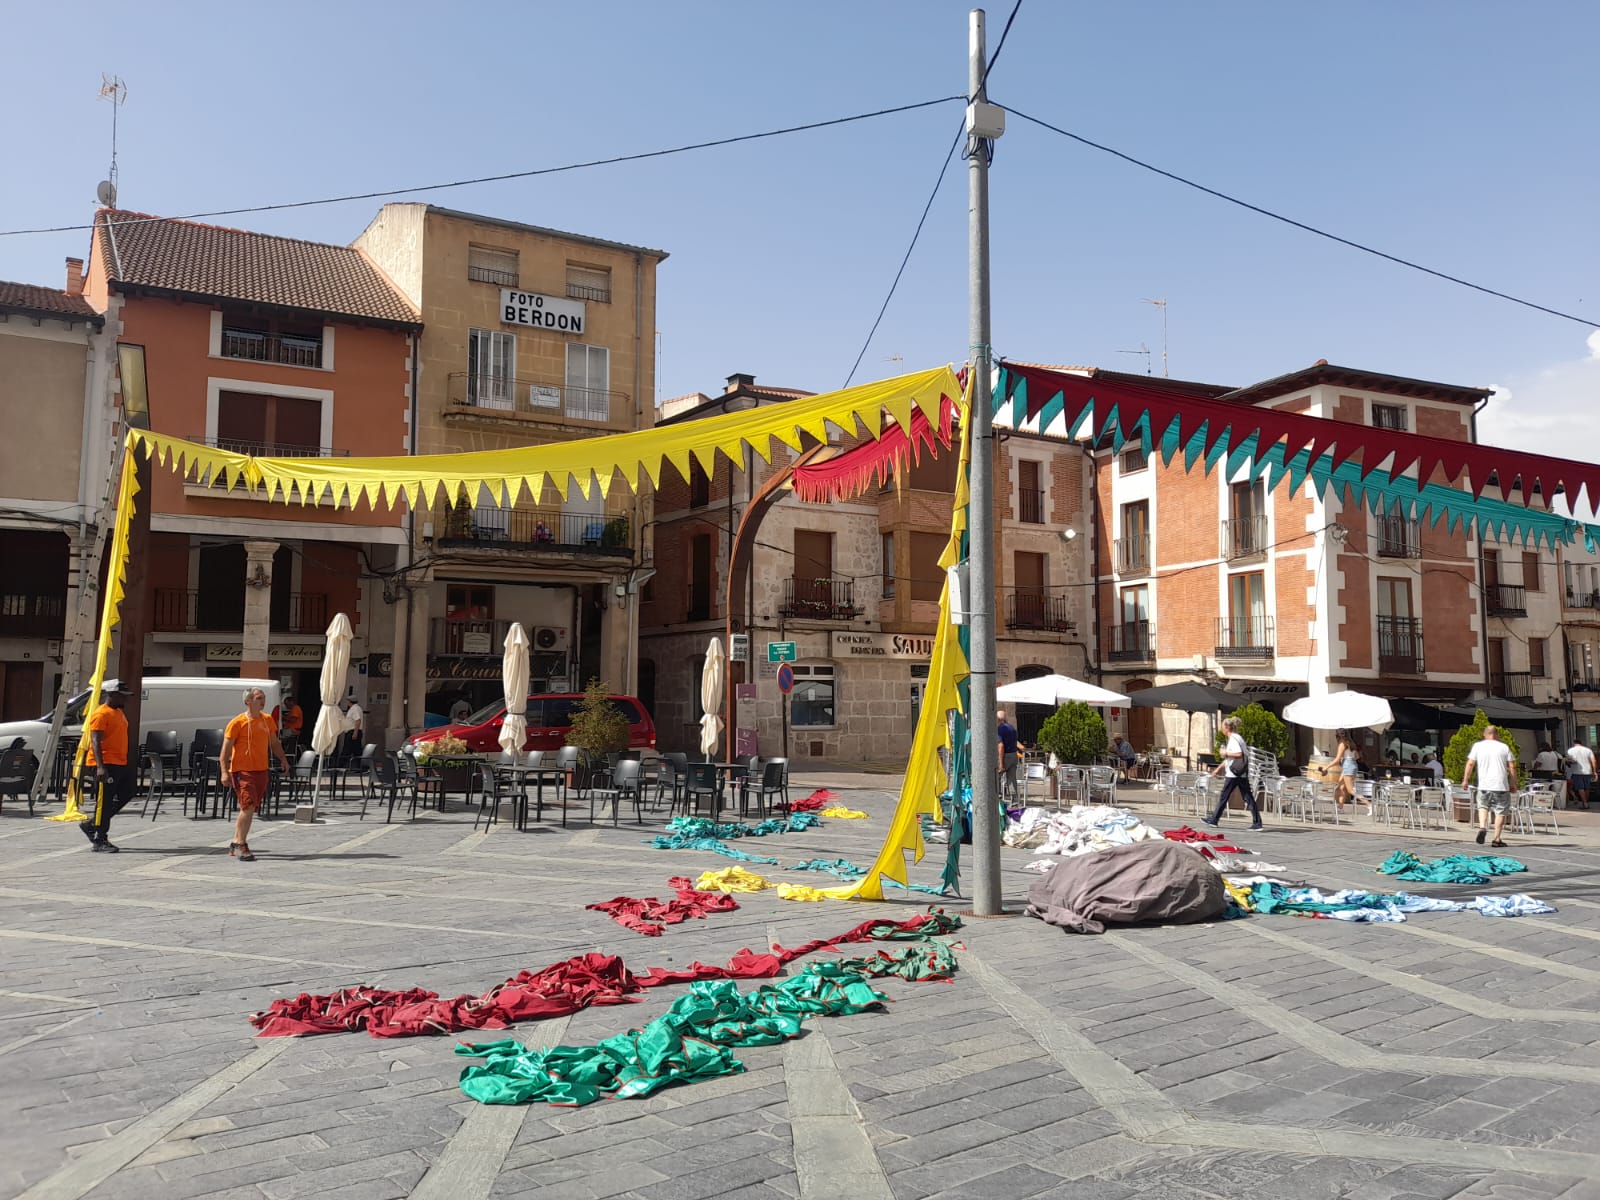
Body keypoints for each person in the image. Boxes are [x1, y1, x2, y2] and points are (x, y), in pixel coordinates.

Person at [219, 686, 292, 862]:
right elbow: (225, 751)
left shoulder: (267, 720)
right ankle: (241, 843)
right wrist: (224, 772)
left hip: (261, 770)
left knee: (249, 807)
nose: (263, 701)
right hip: (241, 771)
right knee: (248, 806)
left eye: (263, 697)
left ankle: (235, 840)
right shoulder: (237, 723)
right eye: (259, 697)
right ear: (248, 701)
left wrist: (283, 759)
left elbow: (274, 743)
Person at [81, 679, 138, 852]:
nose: (126, 700)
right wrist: (100, 766)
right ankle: (100, 838)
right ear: (112, 695)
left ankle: (93, 823)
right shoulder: (101, 714)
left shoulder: (119, 713)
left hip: (119, 762)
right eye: (123, 696)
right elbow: (95, 741)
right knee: (103, 802)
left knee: (128, 792)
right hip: (105, 763)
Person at [1462, 724, 1519, 848]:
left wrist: (1465, 780)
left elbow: (1470, 763)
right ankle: (1497, 838)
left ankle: (1483, 827)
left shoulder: (1478, 746)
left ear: (1484, 734)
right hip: (1501, 785)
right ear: (1497, 735)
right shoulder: (1504, 747)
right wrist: (1513, 783)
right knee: (1501, 811)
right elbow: (1512, 766)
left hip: (1484, 784)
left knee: (1483, 806)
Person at [1203, 715, 1262, 830]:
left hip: (1234, 773)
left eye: (1222, 727)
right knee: (1247, 797)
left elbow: (1238, 754)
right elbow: (1230, 759)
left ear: (1227, 727)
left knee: (1225, 796)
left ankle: (1214, 819)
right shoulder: (1236, 738)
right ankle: (1257, 822)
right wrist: (1218, 768)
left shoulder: (1234, 739)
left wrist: (1225, 753)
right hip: (1240, 772)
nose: (1221, 729)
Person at [996, 709, 1022, 804]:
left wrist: (1001, 763)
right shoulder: (1012, 728)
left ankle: (997, 797)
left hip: (1005, 756)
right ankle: (1015, 801)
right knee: (1011, 779)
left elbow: (1001, 746)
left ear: (998, 719)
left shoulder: (999, 729)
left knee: (996, 776)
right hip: (1014, 755)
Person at [1333, 731, 1361, 808]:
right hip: (1352, 764)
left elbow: (1337, 759)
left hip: (1347, 766)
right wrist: (1349, 756)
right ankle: (1340, 807)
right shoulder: (1351, 743)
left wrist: (1326, 767)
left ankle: (1368, 803)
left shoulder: (1342, 743)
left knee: (1349, 790)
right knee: (1340, 787)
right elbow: (1357, 757)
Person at [1567, 738, 1596, 810]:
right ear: (1581, 743)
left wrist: (1568, 763)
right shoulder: (1588, 750)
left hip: (1577, 771)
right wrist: (1594, 771)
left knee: (1580, 788)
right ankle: (1585, 802)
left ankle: (1585, 803)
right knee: (1587, 788)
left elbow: (1570, 761)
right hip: (1588, 771)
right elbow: (1594, 761)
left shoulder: (1570, 750)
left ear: (1574, 744)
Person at [339, 695, 365, 764]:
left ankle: (341, 765)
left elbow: (358, 720)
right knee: (356, 750)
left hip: (352, 731)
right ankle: (359, 766)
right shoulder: (355, 708)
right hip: (352, 731)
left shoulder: (355, 709)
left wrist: (355, 732)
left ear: (350, 702)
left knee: (348, 750)